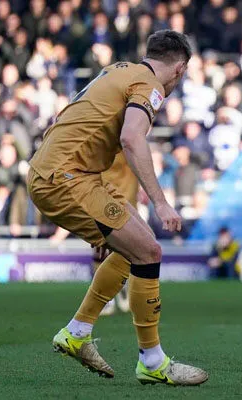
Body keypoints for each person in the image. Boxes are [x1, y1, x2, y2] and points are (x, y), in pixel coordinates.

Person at [27, 30, 208, 386]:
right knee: (149, 249)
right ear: (180, 69)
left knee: (133, 245)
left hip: (66, 170)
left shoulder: (118, 70)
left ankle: (77, 332)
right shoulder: (150, 86)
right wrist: (160, 201)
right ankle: (153, 361)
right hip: (66, 176)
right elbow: (130, 137)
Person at [97, 152, 139, 316]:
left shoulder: (130, 132)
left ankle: (122, 284)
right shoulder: (98, 137)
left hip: (126, 199)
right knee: (100, 246)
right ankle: (104, 295)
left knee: (127, 248)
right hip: (101, 196)